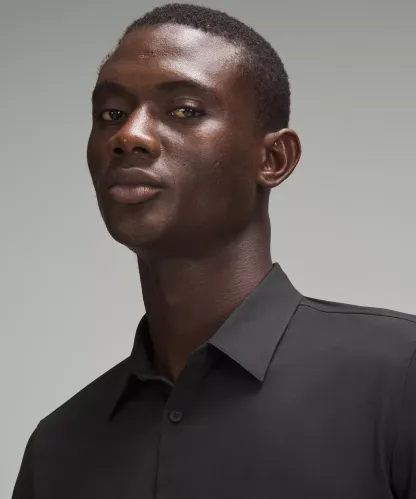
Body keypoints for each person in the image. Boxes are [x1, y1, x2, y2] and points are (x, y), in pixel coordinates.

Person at [12, 3, 416, 498]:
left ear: (274, 158)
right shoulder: (59, 448)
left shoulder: (401, 379)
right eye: (111, 114)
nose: (128, 135)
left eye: (185, 110)